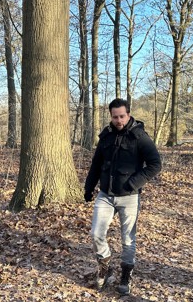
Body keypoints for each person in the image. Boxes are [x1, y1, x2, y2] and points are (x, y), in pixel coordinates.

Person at [84, 98, 162, 295]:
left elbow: (155, 164)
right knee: (96, 234)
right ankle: (105, 266)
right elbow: (96, 164)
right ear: (110, 116)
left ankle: (126, 275)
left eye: (121, 116)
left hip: (129, 197)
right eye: (114, 116)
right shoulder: (106, 136)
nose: (118, 120)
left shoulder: (140, 136)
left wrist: (134, 183)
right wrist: (88, 187)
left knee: (128, 240)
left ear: (128, 114)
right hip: (106, 195)